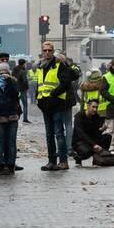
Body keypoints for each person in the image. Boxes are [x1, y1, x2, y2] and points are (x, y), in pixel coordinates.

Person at [36, 42, 75, 171]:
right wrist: (38, 98)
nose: (47, 52)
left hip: (57, 103)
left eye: (49, 50)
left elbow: (66, 83)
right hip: (45, 104)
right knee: (49, 134)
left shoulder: (59, 65)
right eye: (45, 50)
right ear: (42, 51)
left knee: (59, 133)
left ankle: (63, 161)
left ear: (53, 51)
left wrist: (53, 94)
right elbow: (40, 84)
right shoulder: (40, 66)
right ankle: (51, 161)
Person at [0, 61, 22, 175]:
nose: (3, 74)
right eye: (1, 71)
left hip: (10, 117)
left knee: (9, 142)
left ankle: (9, 164)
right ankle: (1, 165)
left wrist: (10, 82)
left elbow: (16, 94)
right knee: (1, 142)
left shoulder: (12, 82)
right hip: (0, 117)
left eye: (5, 71)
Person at [72, 98, 112, 165]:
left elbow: (96, 134)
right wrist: (94, 145)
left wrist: (102, 130)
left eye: (96, 107)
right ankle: (78, 158)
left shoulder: (96, 117)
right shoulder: (79, 116)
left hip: (92, 140)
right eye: (93, 107)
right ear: (88, 106)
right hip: (80, 141)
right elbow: (81, 134)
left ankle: (99, 157)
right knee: (87, 151)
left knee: (108, 137)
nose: (95, 109)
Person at [14, 58, 30, 123]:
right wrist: (27, 88)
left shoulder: (14, 69)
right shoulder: (23, 71)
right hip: (22, 90)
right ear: (23, 64)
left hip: (15, 89)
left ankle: (16, 117)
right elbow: (25, 81)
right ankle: (25, 119)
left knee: (16, 104)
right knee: (25, 105)